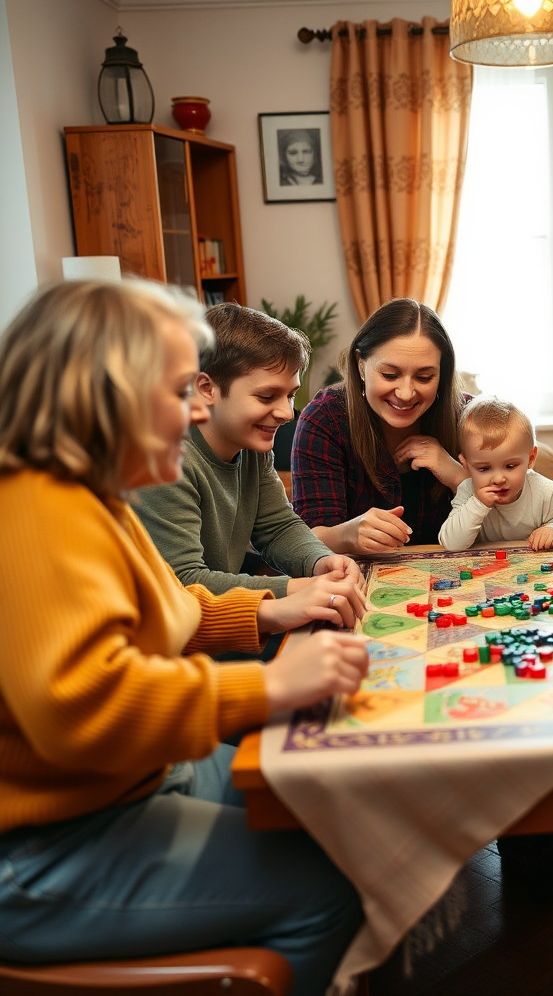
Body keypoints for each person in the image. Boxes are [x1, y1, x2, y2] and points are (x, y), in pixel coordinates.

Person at [0, 280, 369, 996]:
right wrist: (267, 683)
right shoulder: (36, 511)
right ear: (99, 396)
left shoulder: (88, 497)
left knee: (322, 805)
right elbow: (84, 706)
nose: (200, 409)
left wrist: (264, 614)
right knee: (330, 888)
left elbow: (167, 604)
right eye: (179, 391)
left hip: (130, 785)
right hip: (41, 845)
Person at [135, 303, 365, 639]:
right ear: (206, 388)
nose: (287, 413)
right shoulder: (164, 460)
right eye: (267, 395)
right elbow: (183, 581)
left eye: (291, 395)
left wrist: (320, 561)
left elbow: (278, 526)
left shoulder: (250, 444)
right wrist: (297, 588)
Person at [291, 297, 469, 554]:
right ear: (361, 366)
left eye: (424, 377)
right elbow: (306, 540)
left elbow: (516, 517)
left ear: (443, 374)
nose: (406, 393)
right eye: (389, 375)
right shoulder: (325, 418)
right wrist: (348, 534)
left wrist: (459, 478)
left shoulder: (468, 416)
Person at [439, 395, 553, 551]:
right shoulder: (467, 491)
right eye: (484, 469)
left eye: (510, 466)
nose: (499, 479)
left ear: (531, 459)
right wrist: (478, 504)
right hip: (484, 571)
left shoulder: (545, 492)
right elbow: (451, 544)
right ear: (465, 464)